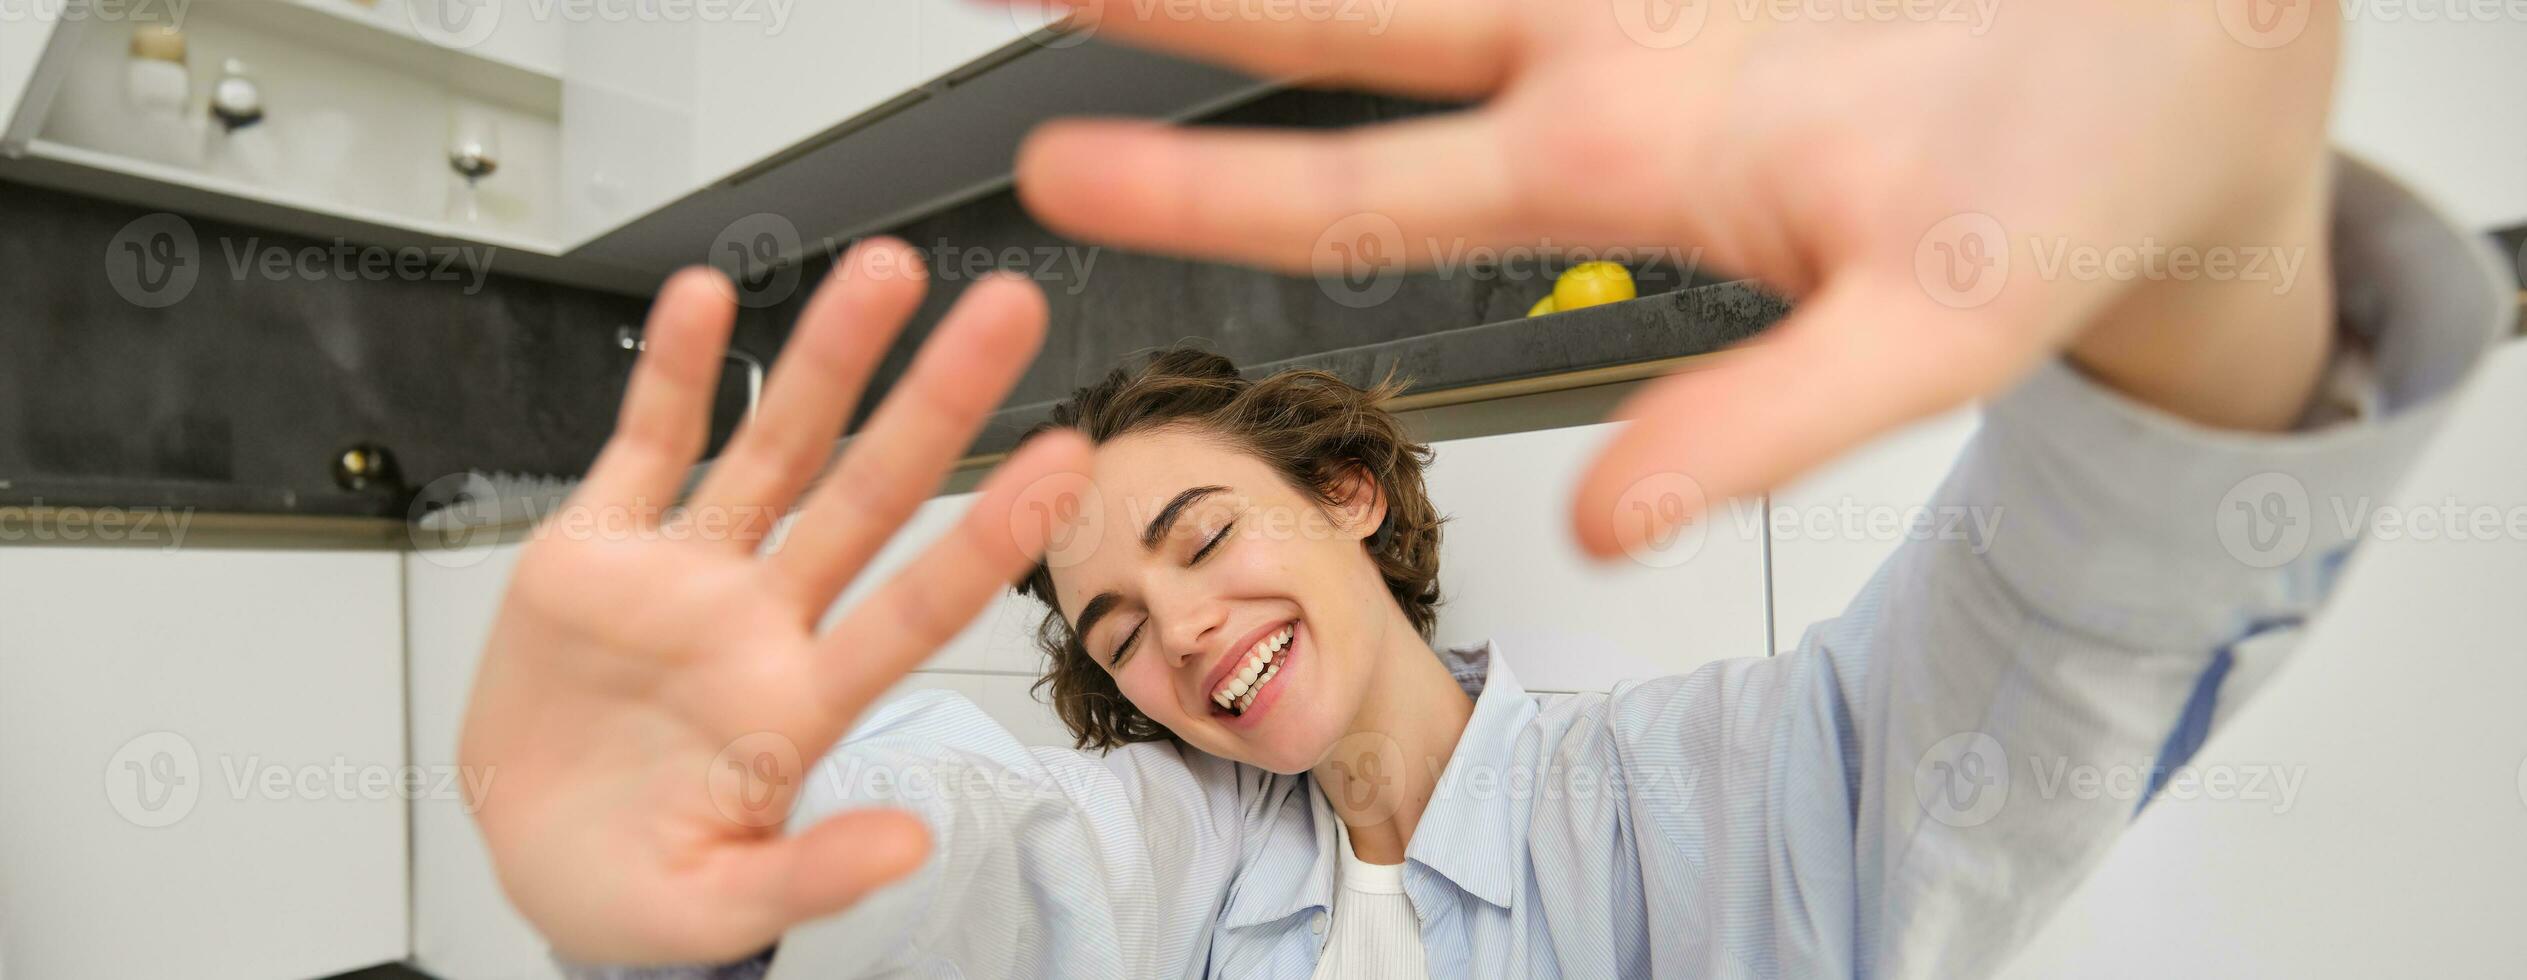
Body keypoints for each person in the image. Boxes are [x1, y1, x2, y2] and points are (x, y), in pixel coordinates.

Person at [455, 1, 2515, 977]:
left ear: (1348, 492)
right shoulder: (1157, 851)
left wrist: (2193, 257)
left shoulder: (1719, 797)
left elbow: (2054, 637)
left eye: (1196, 539)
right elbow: (949, 849)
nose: (1172, 633)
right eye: (1110, 628)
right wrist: (720, 815)